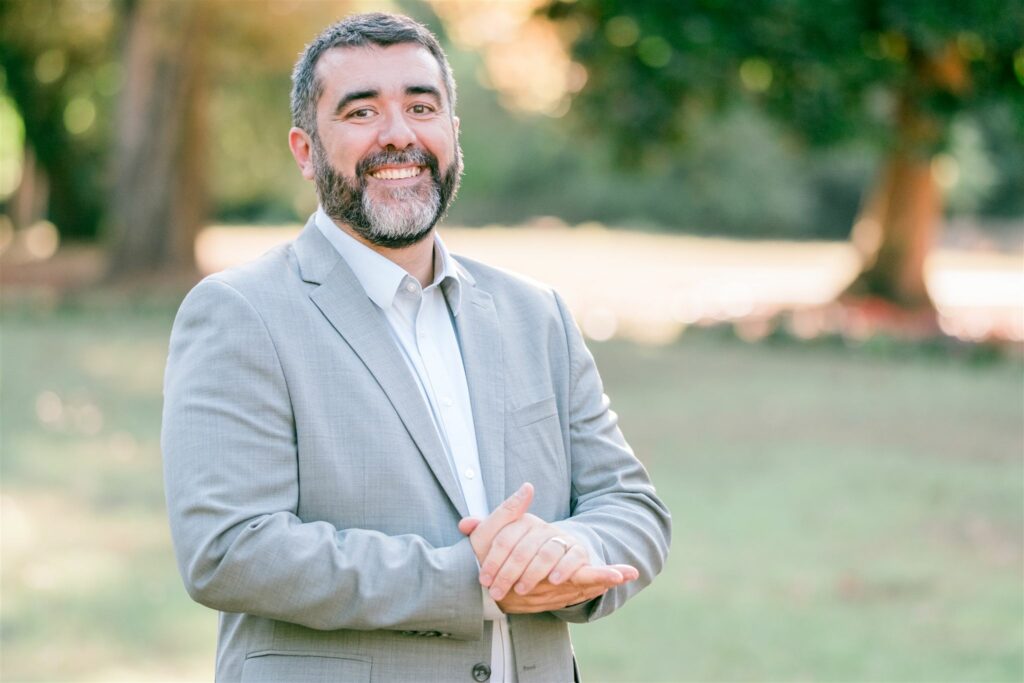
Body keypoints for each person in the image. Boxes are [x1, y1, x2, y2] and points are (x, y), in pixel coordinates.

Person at [161, 12, 670, 683]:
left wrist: (568, 549)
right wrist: (473, 581)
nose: (399, 134)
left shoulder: (535, 312)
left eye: (421, 107)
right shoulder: (240, 312)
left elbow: (632, 505)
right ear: (306, 150)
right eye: (361, 111)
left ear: (453, 133)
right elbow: (229, 549)